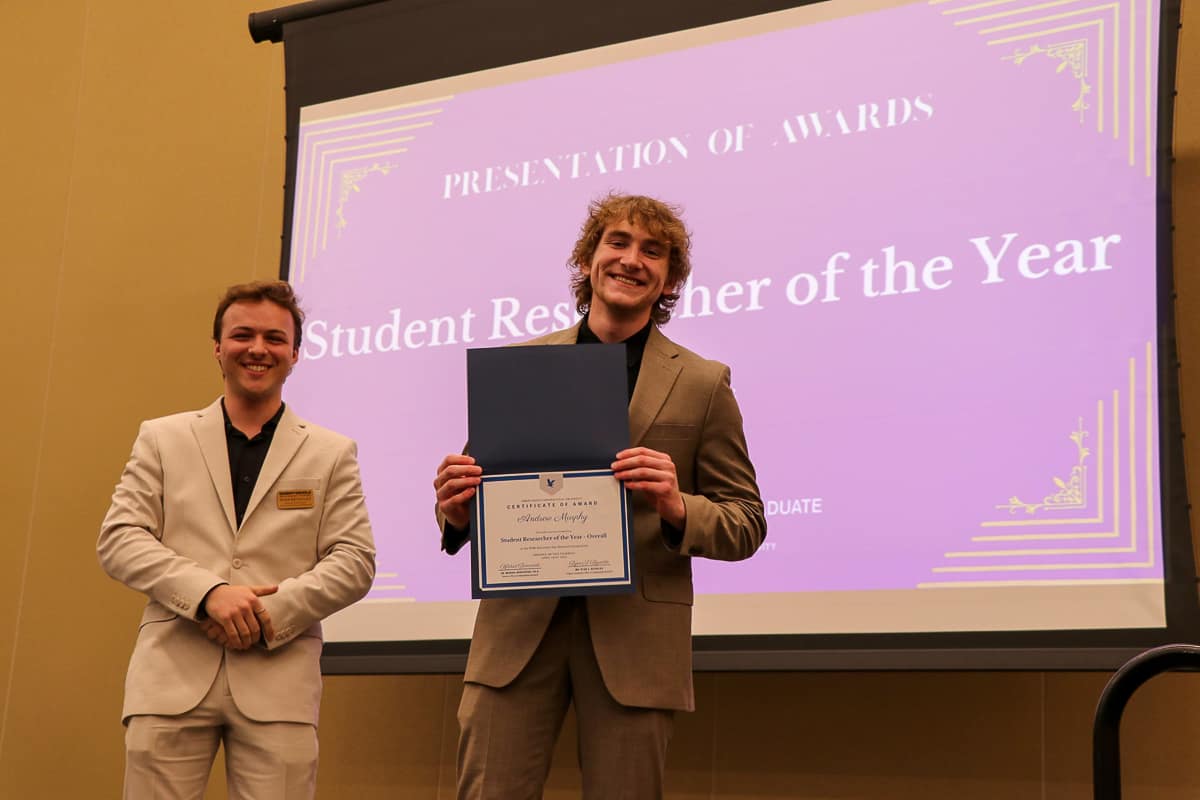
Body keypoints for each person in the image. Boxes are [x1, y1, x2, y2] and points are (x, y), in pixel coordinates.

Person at [433, 194, 766, 799]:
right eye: (618, 242)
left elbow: (745, 521)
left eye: (653, 251)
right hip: (516, 636)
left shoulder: (702, 381)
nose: (632, 259)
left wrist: (675, 504)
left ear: (669, 278)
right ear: (588, 259)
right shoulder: (521, 367)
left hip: (634, 646)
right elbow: (477, 495)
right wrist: (456, 510)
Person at [98, 280, 376, 799]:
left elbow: (354, 561)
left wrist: (267, 614)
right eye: (242, 334)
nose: (257, 348)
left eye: (274, 338)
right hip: (170, 679)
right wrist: (209, 595)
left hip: (280, 684)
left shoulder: (332, 452)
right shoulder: (162, 437)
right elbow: (119, 538)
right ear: (218, 348)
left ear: (295, 353)